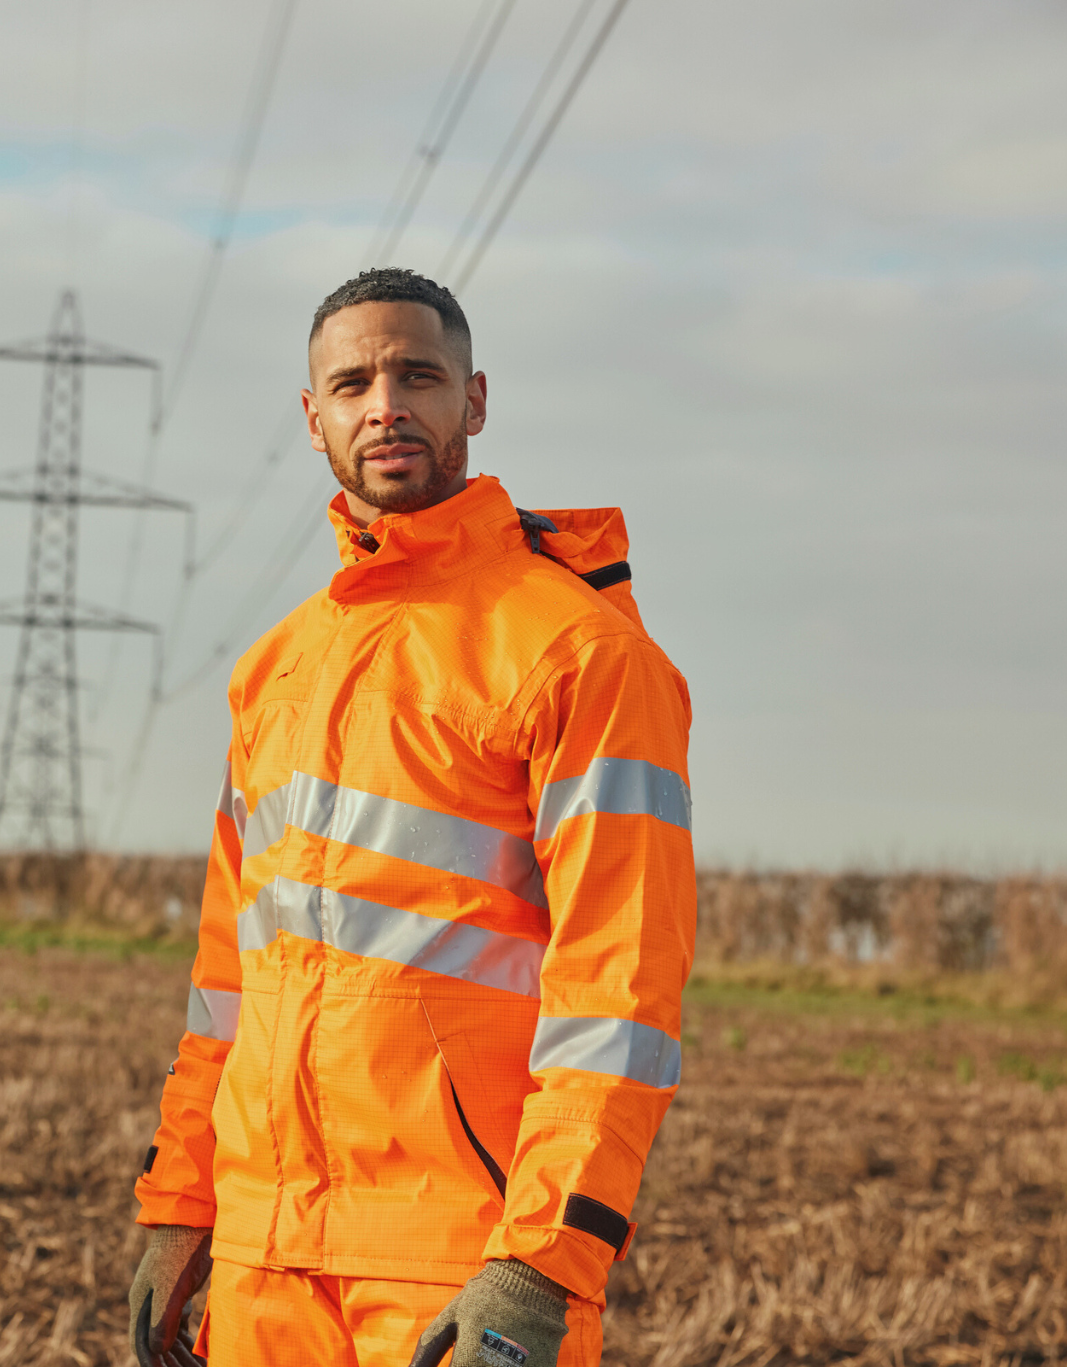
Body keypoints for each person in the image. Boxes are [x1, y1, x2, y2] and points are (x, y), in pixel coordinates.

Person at [127, 269, 694, 1367]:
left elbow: (619, 990)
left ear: (472, 402)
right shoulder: (274, 669)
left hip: (457, 1260)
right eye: (350, 382)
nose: (382, 403)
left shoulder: (578, 652)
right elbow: (223, 984)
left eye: (415, 375)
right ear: (312, 419)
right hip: (262, 1259)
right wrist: (182, 1201)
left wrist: (542, 1257)